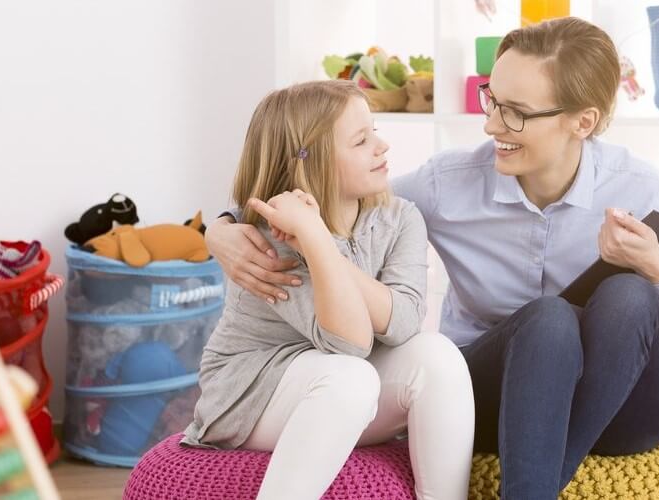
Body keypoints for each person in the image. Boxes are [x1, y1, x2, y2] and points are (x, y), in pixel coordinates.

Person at [206, 17, 659, 499]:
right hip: (502, 399)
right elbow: (325, 181)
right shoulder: (450, 184)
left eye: (514, 111)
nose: (492, 124)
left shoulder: (639, 186)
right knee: (549, 319)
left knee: (629, 292)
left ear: (583, 122)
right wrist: (223, 229)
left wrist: (657, 269)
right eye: (491, 98)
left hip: (623, 412)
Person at [182, 79, 475, 500]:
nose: (382, 146)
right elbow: (350, 343)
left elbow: (405, 322)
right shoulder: (271, 235)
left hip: (341, 385)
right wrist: (315, 240)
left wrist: (318, 239)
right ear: (311, 161)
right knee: (350, 377)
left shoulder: (399, 217)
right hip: (250, 394)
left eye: (374, 130)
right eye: (361, 140)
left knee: (439, 355)